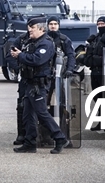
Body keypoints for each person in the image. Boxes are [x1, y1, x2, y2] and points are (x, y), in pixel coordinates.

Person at [11, 17, 69, 154]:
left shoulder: (46, 44)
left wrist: (20, 56)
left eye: (33, 27)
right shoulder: (31, 42)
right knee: (27, 115)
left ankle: (60, 138)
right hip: (29, 83)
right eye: (29, 27)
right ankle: (30, 143)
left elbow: (37, 60)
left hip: (39, 84)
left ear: (42, 29)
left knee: (42, 114)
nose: (30, 30)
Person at [85, 16, 105, 90]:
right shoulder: (95, 38)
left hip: (104, 71)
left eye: (103, 24)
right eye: (99, 24)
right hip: (94, 70)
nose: (100, 26)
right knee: (95, 94)